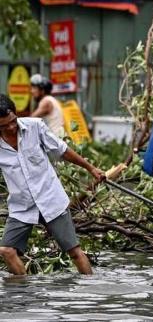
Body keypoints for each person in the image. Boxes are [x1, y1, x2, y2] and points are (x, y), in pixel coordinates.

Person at [0, 94, 105, 275]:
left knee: (74, 252)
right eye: (3, 125)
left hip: (50, 199)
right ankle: (25, 295)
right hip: (22, 205)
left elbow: (62, 150)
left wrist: (91, 169)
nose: (10, 127)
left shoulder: (35, 127)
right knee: (6, 251)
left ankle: (91, 292)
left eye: (13, 121)